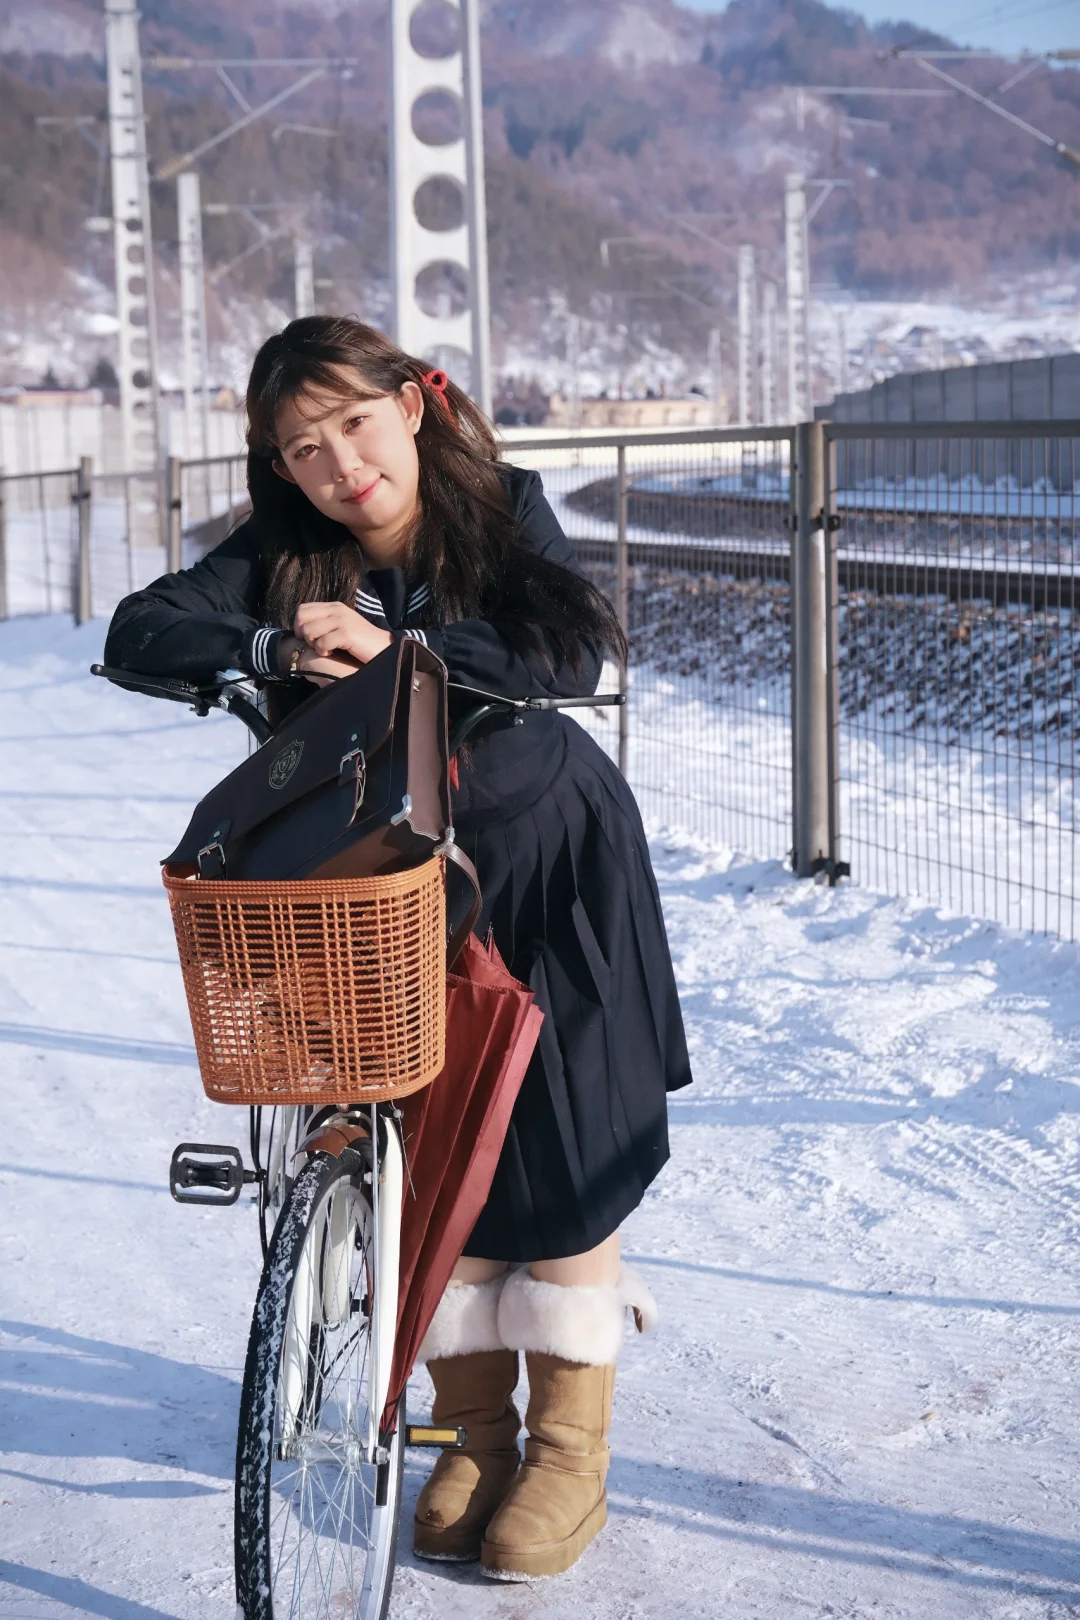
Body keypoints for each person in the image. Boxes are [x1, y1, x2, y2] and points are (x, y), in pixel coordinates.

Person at [105, 315, 692, 1581]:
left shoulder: (502, 511)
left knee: (568, 1142)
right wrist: (270, 644)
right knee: (435, 1145)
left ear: (411, 408)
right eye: (302, 448)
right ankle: (476, 1435)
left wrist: (404, 654)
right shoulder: (285, 555)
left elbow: (561, 648)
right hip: (385, 883)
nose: (339, 466)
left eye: (354, 427)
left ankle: (569, 1455)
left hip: (541, 854)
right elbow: (139, 631)